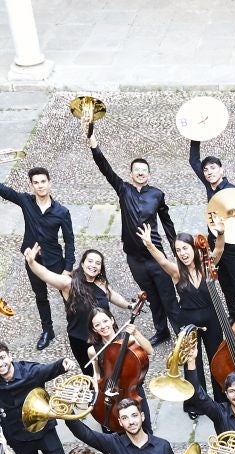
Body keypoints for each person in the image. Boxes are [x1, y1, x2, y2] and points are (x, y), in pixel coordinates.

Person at [86, 130, 179, 342]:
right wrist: (93, 142)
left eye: (144, 170)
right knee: (152, 296)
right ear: (130, 174)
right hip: (135, 258)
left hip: (156, 255)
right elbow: (104, 166)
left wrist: (175, 247)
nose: (140, 173)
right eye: (136, 170)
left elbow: (166, 220)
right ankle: (161, 331)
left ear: (149, 174)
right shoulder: (123, 189)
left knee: (168, 296)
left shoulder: (157, 194)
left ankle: (180, 332)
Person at [0, 161, 74, 345]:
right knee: (40, 296)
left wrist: (68, 268)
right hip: (33, 260)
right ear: (32, 185)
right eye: (36, 182)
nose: (40, 185)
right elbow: (1, 190)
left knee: (68, 294)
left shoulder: (62, 212)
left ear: (49, 183)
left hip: (54, 260)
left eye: (43, 181)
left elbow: (69, 241)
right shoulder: (26, 202)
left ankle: (75, 326)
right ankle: (47, 330)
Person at [137, 228, 225, 399]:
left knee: (216, 357)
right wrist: (149, 244)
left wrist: (220, 234)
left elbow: (219, 249)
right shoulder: (177, 272)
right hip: (189, 319)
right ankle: (197, 400)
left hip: (212, 317)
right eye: (178, 250)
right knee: (192, 361)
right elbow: (162, 261)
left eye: (185, 248)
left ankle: (221, 398)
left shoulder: (207, 266)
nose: (182, 253)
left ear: (194, 248)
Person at [23, 246, 137, 372]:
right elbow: (46, 275)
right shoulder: (69, 284)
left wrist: (129, 305)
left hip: (104, 334)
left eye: (98, 263)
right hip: (82, 340)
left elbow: (111, 295)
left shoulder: (101, 282)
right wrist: (32, 263)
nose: (93, 265)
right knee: (93, 374)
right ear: (82, 263)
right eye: (90, 261)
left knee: (115, 367)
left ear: (100, 268)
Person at [186, 141, 235, 324]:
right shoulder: (209, 185)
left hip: (232, 244)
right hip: (214, 244)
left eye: (213, 168)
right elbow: (193, 160)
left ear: (222, 170)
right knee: (225, 284)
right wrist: (196, 137)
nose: (209, 172)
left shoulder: (231, 190)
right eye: (206, 170)